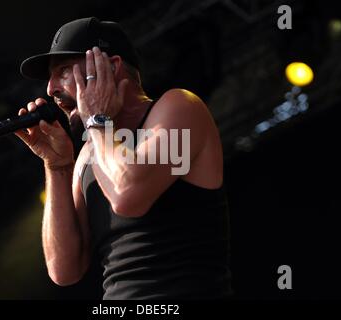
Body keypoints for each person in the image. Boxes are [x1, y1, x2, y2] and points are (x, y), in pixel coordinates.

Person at [16, 17, 232, 300]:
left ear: (112, 66)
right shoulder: (91, 152)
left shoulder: (179, 107)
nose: (51, 88)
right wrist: (57, 166)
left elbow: (128, 195)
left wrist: (96, 119)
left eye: (64, 71)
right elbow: (64, 270)